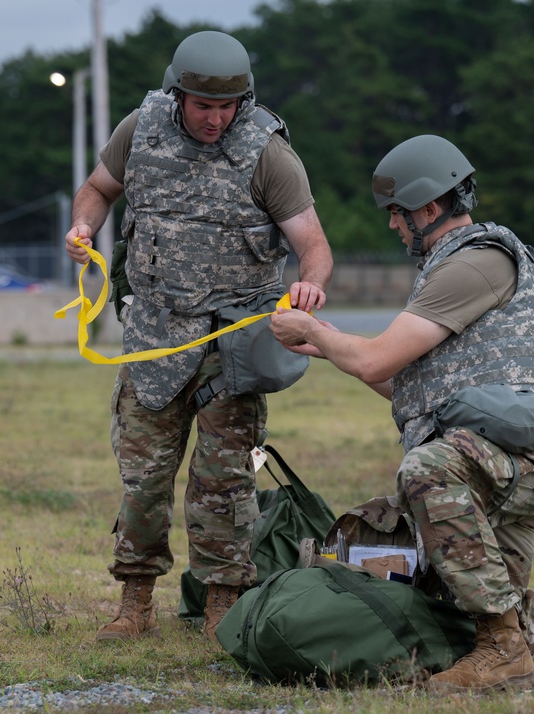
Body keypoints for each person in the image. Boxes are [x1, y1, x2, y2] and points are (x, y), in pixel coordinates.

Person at [271, 135, 534, 692]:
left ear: (429, 209)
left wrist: (318, 332)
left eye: (396, 213)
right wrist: (326, 344)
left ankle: (503, 652)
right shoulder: (453, 267)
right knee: (466, 626)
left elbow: (374, 362)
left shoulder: (474, 264)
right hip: (500, 454)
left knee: (425, 471)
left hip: (531, 452)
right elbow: (408, 387)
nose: (393, 226)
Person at [65, 31, 333, 644]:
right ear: (178, 94)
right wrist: (83, 225)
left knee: (225, 484)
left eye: (227, 107)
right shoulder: (141, 128)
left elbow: (313, 246)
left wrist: (310, 287)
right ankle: (134, 604)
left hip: (228, 350)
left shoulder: (268, 152)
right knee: (143, 481)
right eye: (203, 106)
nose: (216, 119)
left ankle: (222, 605)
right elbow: (99, 189)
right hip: (153, 339)